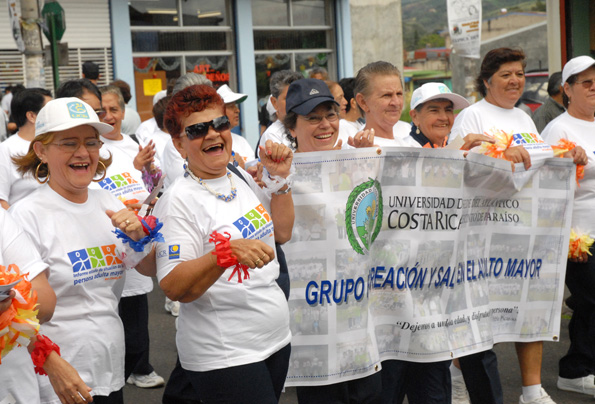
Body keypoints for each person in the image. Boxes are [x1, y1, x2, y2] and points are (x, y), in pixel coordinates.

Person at [10, 97, 157, 403]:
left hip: (110, 366)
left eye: (91, 142)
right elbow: (15, 312)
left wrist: (139, 235)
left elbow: (148, 269)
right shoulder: (26, 216)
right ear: (41, 150)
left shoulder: (107, 202)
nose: (83, 152)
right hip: (57, 380)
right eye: (68, 143)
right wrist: (50, 363)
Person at [154, 83, 294, 404]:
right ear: (178, 144)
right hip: (226, 352)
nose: (213, 134)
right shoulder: (178, 201)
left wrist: (281, 182)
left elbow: (282, 233)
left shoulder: (239, 176)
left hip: (274, 338)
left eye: (219, 124)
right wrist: (226, 253)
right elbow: (174, 287)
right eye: (198, 130)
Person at [449, 47, 551, 404]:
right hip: (479, 238)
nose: (515, 80)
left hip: (520, 234)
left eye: (520, 73)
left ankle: (532, 392)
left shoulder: (525, 119)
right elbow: (456, 167)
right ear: (487, 79)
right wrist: (496, 155)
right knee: (481, 318)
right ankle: (458, 376)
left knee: (526, 309)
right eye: (506, 73)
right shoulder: (471, 117)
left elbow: (536, 166)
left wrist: (562, 157)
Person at [281, 78, 379, 403]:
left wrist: (368, 162)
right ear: (291, 128)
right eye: (312, 118)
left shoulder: (360, 158)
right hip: (313, 325)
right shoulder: (277, 173)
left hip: (360, 324)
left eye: (331, 115)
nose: (325, 125)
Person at [96, 85, 165, 389]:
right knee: (110, 334)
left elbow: (154, 186)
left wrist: (147, 170)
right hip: (106, 255)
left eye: (114, 110)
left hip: (138, 248)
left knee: (135, 335)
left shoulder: (134, 143)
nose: (108, 116)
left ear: (125, 112)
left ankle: (130, 374)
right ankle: (108, 386)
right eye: (102, 111)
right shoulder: (92, 149)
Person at [541, 55, 595, 397]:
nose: (594, 89)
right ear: (567, 90)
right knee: (592, 297)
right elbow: (544, 186)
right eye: (586, 83)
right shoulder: (558, 129)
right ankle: (575, 370)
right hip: (577, 234)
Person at [0, 88, 52, 209]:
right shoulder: (5, 150)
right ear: (32, 116)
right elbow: (2, 201)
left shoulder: (56, 144)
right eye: (49, 111)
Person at [354, 61, 411, 145]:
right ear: (363, 102)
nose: (396, 102)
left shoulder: (405, 145)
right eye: (387, 95)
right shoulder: (354, 148)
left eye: (399, 94)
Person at [258, 70, 303, 150]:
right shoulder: (272, 135)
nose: (295, 102)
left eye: (300, 97)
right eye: (288, 98)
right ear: (274, 103)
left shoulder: (312, 126)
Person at [216, 84, 255, 161]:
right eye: (231, 106)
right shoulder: (211, 143)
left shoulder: (242, 141)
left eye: (235, 106)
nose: (237, 110)